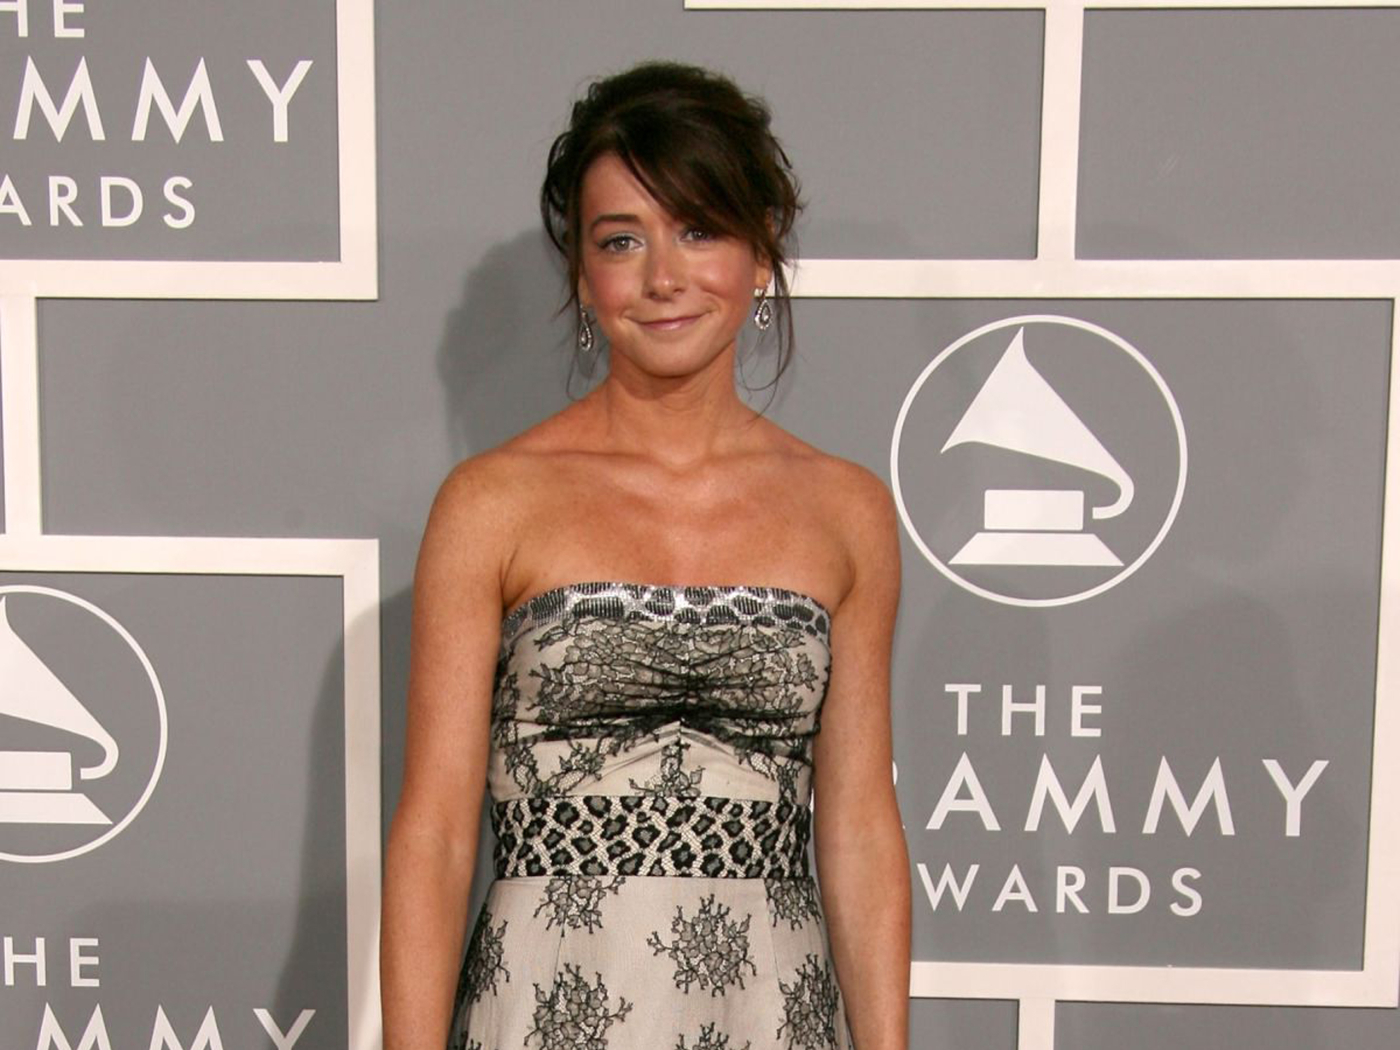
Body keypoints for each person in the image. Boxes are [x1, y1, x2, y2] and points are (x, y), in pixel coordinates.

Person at [381, 61, 910, 1050]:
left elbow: (859, 828)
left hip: (769, 1014)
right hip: (544, 1008)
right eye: (621, 240)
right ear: (583, 275)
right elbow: (436, 835)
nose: (663, 277)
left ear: (762, 250)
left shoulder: (846, 511)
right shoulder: (491, 503)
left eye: (698, 229)